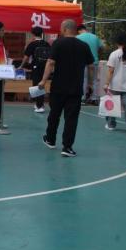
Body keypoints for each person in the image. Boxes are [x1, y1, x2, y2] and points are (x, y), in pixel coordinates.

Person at [39, 19, 94, 157]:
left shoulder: (58, 43)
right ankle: (67, 147)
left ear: (64, 29)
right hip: (75, 88)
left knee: (54, 114)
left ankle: (50, 139)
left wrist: (43, 80)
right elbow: (91, 66)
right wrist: (90, 83)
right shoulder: (84, 46)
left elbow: (50, 62)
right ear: (75, 30)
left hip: (58, 87)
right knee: (71, 118)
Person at [19, 26, 51, 113]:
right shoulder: (46, 44)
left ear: (33, 34)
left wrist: (21, 66)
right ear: (41, 34)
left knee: (36, 85)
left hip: (36, 67)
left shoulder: (32, 44)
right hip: (45, 67)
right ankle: (38, 104)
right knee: (41, 84)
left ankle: (40, 106)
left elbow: (26, 57)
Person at [76, 24, 104, 104]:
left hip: (82, 62)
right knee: (94, 80)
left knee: (83, 79)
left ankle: (83, 98)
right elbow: (102, 48)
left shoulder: (77, 38)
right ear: (85, 29)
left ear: (79, 31)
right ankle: (94, 98)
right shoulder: (95, 37)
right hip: (94, 61)